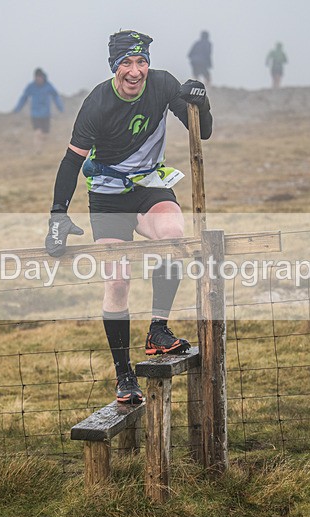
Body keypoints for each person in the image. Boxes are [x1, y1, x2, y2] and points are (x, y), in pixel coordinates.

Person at [44, 30, 213, 404]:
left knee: (173, 234)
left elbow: (205, 131)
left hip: (149, 186)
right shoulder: (97, 103)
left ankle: (158, 332)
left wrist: (202, 103)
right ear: (113, 66)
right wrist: (58, 215)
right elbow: (72, 161)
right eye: (126, 63)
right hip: (107, 197)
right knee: (117, 281)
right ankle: (124, 376)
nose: (135, 71)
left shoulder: (163, 84)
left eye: (141, 62)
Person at [13, 68, 64, 152]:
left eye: (40, 77)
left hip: (46, 114)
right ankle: (38, 150)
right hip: (35, 114)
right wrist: (17, 109)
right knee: (37, 132)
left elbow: (56, 96)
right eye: (36, 77)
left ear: (43, 77)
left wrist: (60, 107)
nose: (38, 79)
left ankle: (42, 149)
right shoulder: (31, 86)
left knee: (45, 135)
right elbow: (24, 97)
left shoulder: (48, 86)